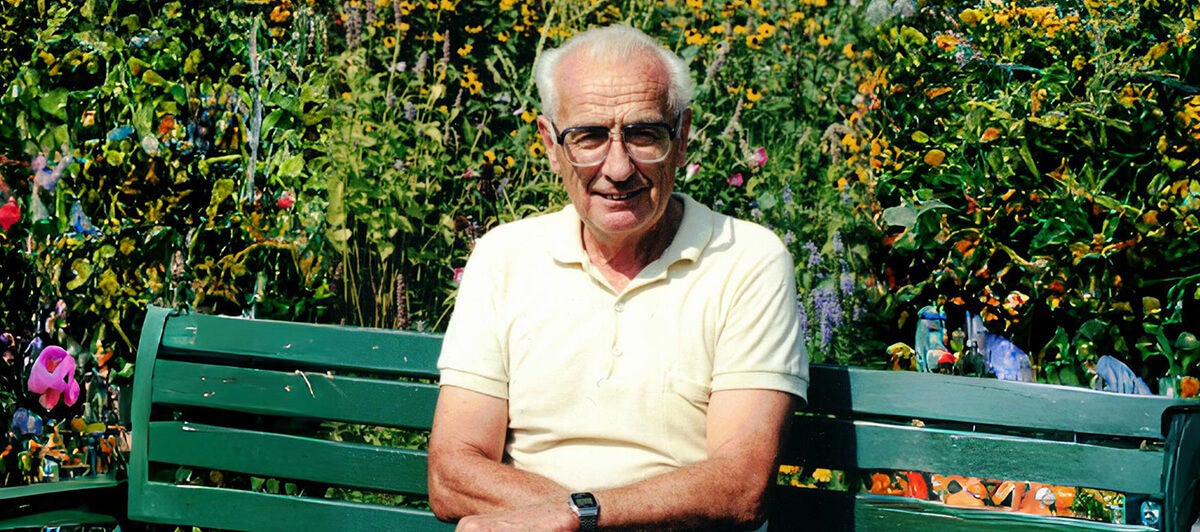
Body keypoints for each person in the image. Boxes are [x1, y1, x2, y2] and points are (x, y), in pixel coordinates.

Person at [428, 24, 808, 531]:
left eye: (643, 134)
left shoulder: (748, 261)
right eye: (587, 136)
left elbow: (740, 485)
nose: (618, 167)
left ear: (683, 136)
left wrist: (577, 519)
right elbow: (452, 474)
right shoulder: (504, 257)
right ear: (549, 143)